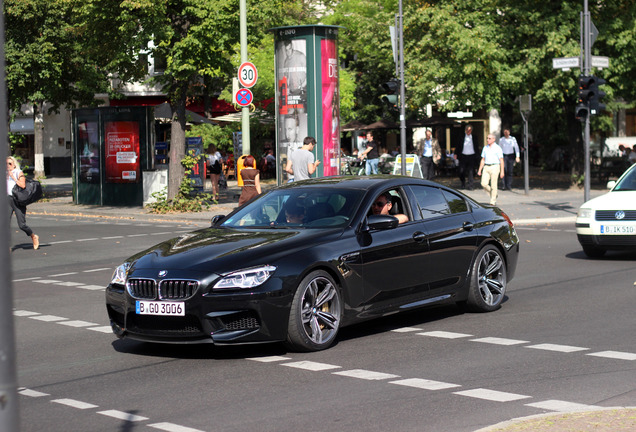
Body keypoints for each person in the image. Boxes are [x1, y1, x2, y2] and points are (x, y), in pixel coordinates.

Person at [7, 156, 39, 250]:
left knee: (22, 225)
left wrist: (12, 177)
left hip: (17, 200)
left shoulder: (18, 172)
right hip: (7, 200)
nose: (8, 165)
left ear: (14, 164)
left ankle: (33, 236)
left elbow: (23, 185)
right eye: (6, 164)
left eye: (10, 163)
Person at [477, 134, 505, 205]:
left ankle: (493, 201)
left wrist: (502, 171)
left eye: (489, 138)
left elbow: (501, 160)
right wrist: (480, 170)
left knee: (494, 184)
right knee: (483, 183)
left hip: (495, 166)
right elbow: (483, 159)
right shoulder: (485, 148)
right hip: (486, 166)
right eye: (487, 138)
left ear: (493, 139)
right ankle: (494, 194)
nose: (487, 140)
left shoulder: (497, 148)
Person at [456, 125, 479, 190]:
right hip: (463, 156)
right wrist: (456, 153)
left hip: (472, 156)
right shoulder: (462, 137)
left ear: (471, 130)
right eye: (467, 130)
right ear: (465, 130)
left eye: (470, 130)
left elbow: (476, 147)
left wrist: (477, 156)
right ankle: (463, 183)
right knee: (461, 171)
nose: (468, 131)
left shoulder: (474, 137)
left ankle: (470, 185)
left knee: (471, 171)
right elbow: (458, 146)